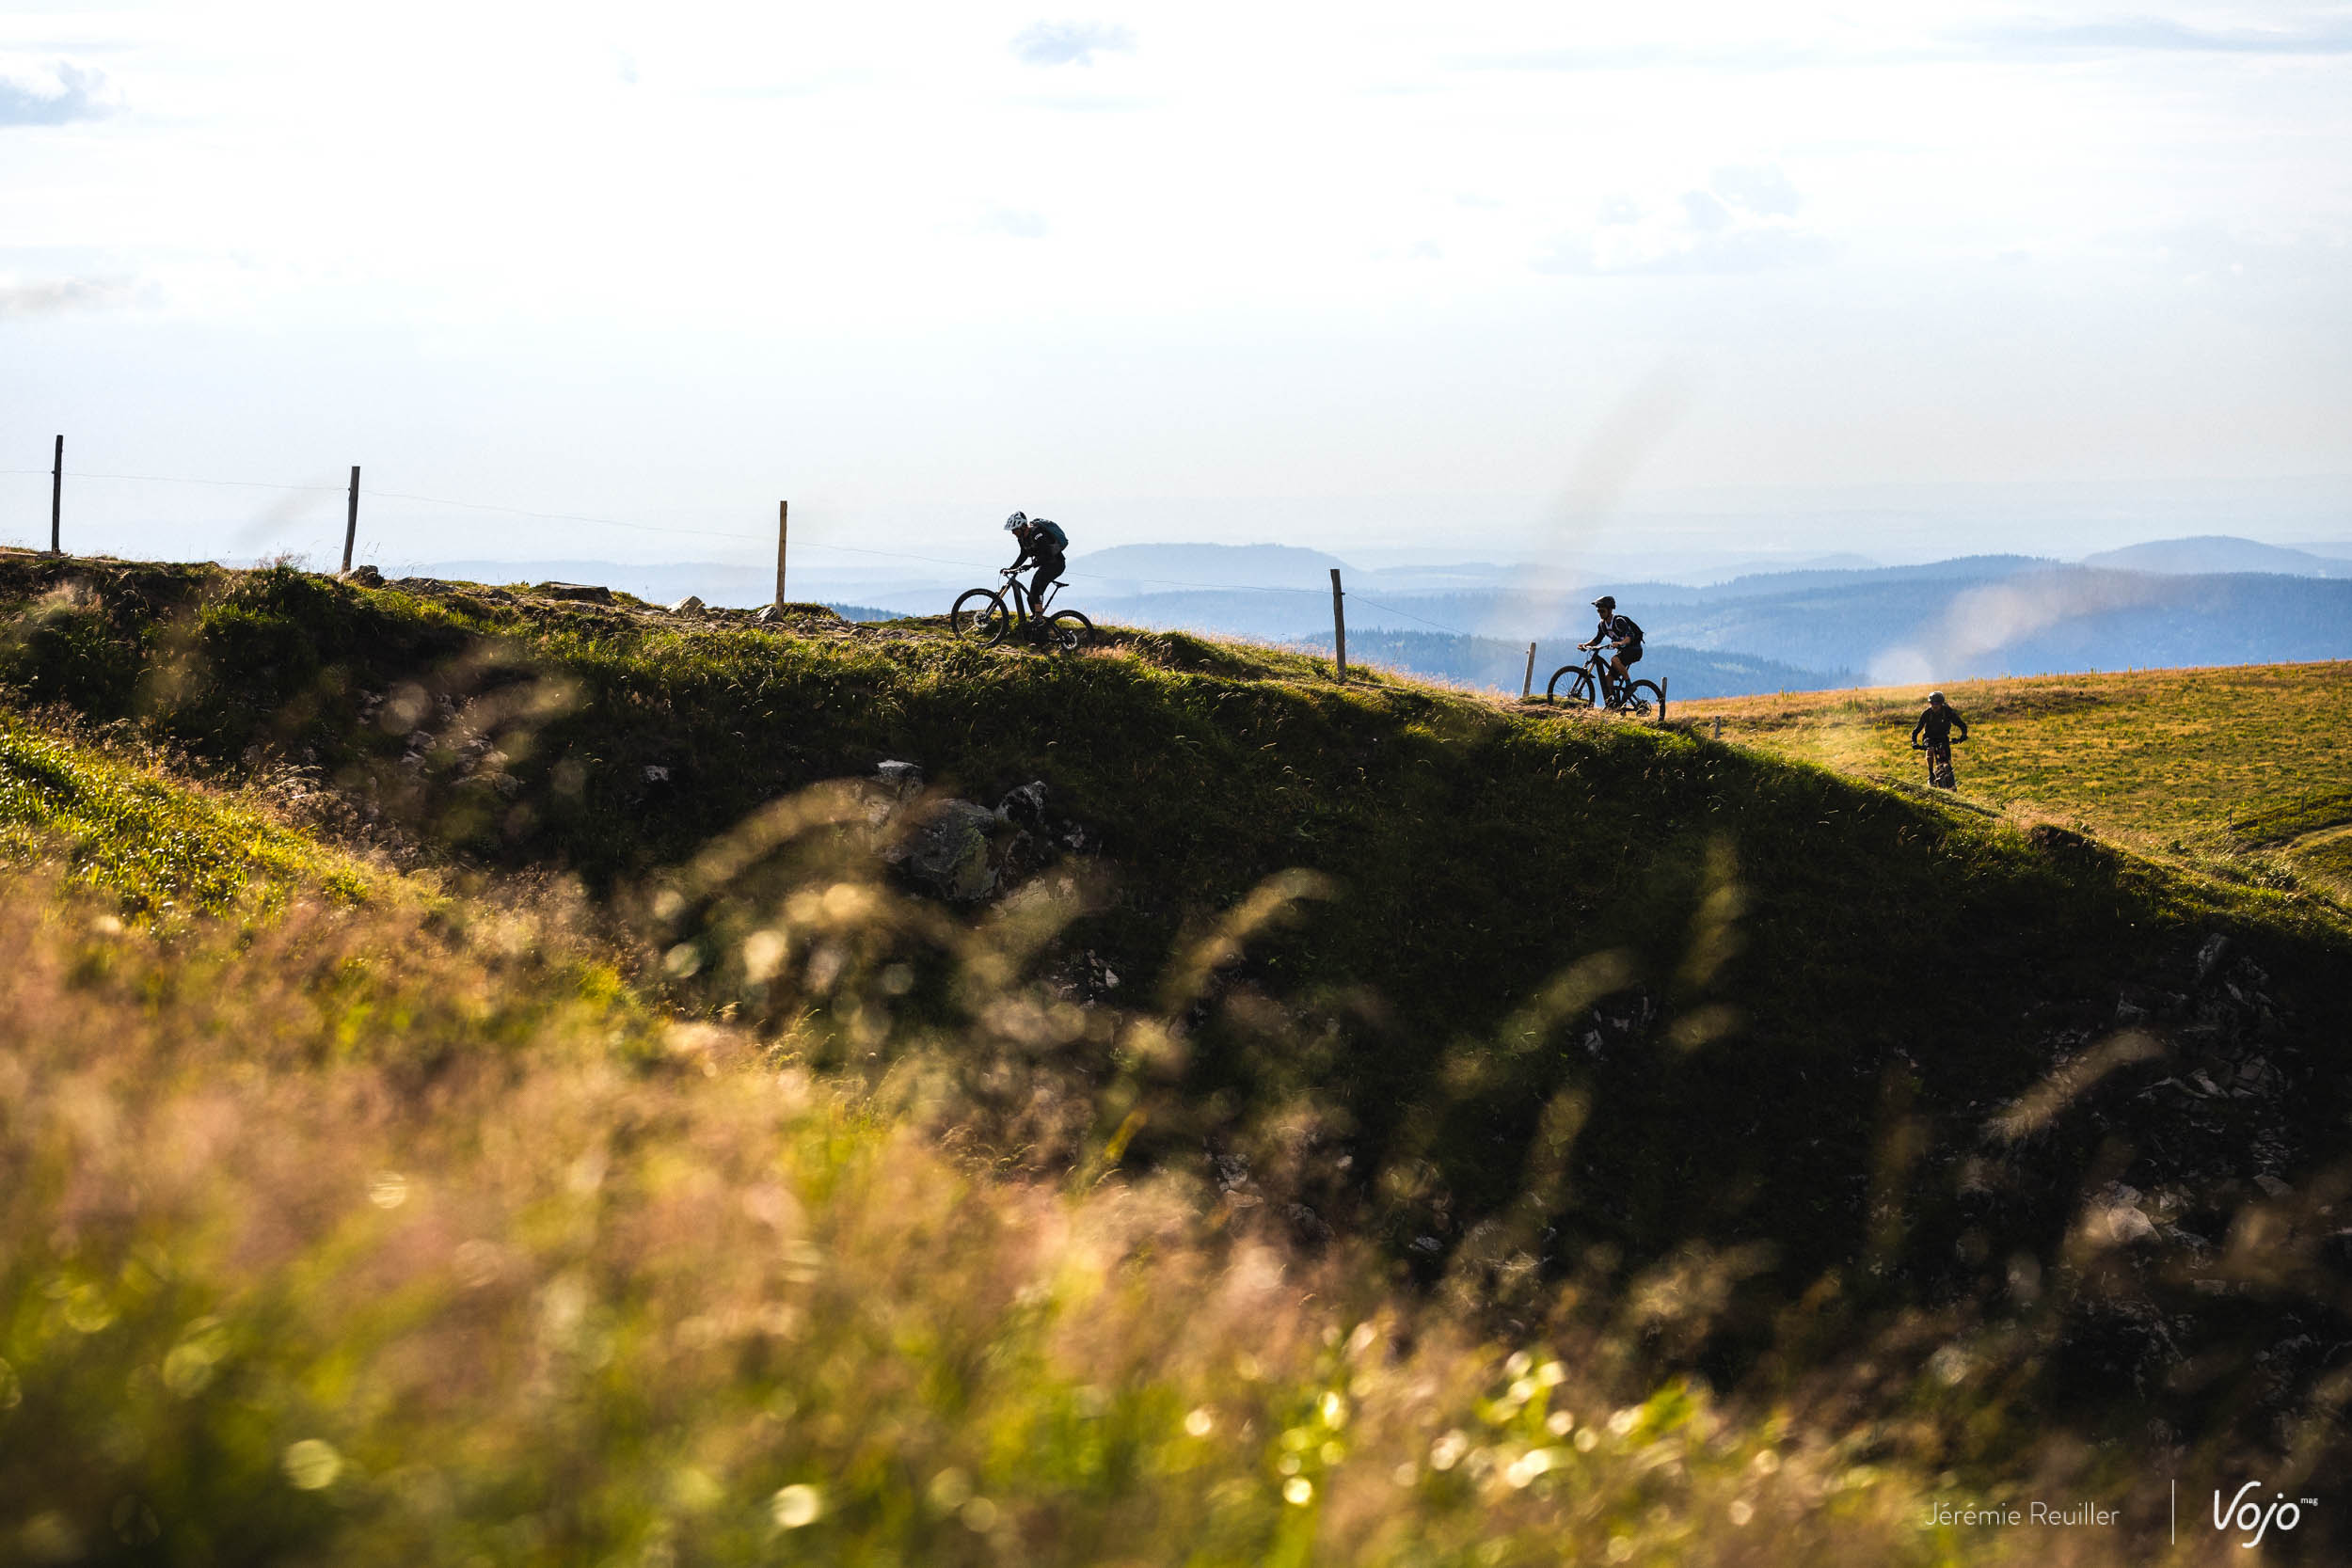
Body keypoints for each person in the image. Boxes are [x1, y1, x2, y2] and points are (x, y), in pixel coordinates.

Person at [1578, 595, 1643, 705]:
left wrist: (1621, 643)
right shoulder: (1602, 625)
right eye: (1598, 611)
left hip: (1634, 649)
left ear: (1610, 610)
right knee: (1608, 677)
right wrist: (1585, 645)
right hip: (1623, 651)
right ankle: (1613, 704)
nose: (1600, 613)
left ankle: (1629, 685)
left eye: (1602, 611)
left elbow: (1629, 636)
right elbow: (1597, 639)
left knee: (1614, 660)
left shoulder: (1618, 621)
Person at [1003, 512, 1068, 620]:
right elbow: (1023, 555)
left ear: (1022, 526)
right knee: (1031, 597)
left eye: (1014, 529)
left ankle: (1039, 619)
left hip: (1056, 564)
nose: (1013, 533)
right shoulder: (1022, 538)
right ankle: (1038, 623)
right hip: (1045, 564)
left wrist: (1031, 565)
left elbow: (1047, 553)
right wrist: (1011, 569)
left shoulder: (1037, 533)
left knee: (1037, 587)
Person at [1910, 690, 1968, 789]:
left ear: (1942, 703)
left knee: (1947, 761)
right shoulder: (1926, 713)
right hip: (1929, 737)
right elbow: (1917, 729)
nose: (1935, 705)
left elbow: (1960, 723)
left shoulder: (1948, 711)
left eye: (1937, 703)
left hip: (1943, 737)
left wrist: (1963, 734)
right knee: (1930, 750)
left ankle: (1950, 782)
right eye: (1932, 703)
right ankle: (1931, 774)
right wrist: (1914, 742)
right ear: (1930, 703)